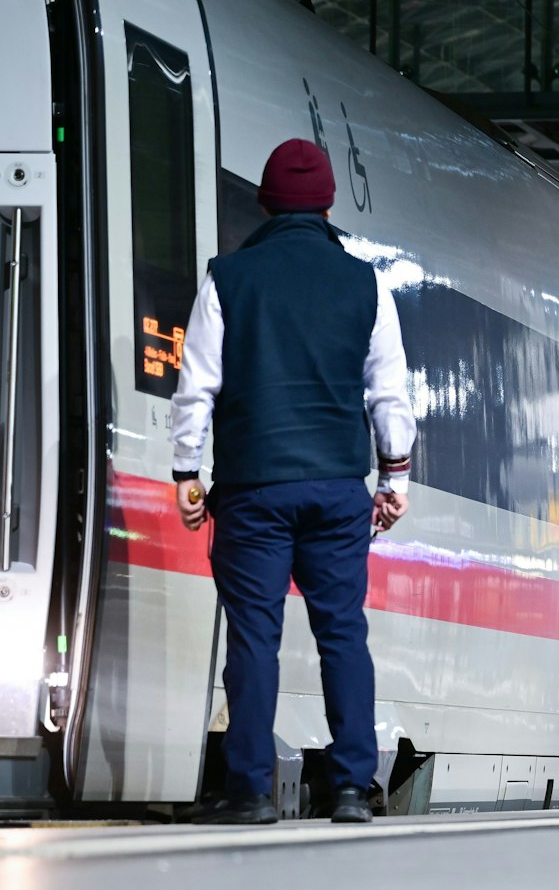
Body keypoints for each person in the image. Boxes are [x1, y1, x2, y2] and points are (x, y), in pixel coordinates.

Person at [171, 139, 417, 825]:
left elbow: (198, 388)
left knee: (254, 634)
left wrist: (187, 474)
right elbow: (388, 394)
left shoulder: (229, 277)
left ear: (267, 202)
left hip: (253, 488)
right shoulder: (366, 283)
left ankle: (248, 789)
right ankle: (349, 786)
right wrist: (395, 476)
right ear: (328, 204)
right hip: (339, 489)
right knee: (343, 631)